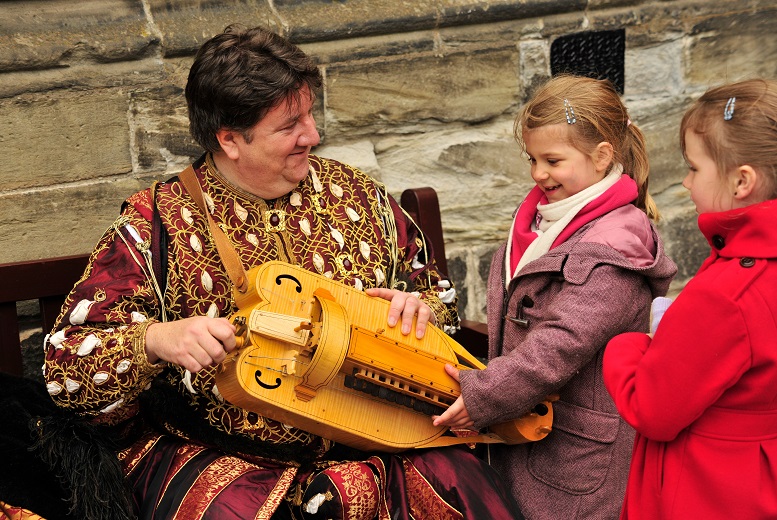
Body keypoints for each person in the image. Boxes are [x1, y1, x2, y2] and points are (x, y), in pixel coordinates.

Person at [38, 24, 522, 520]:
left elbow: (435, 293)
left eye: (310, 113)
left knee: (459, 488)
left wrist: (419, 308)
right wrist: (157, 340)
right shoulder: (156, 224)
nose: (312, 135)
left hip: (379, 439)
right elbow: (64, 367)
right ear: (230, 140)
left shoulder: (354, 194)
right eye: (290, 124)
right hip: (232, 459)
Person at [432, 74, 678, 518]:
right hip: (529, 432)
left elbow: (561, 342)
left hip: (575, 458)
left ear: (602, 156)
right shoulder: (546, 221)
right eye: (532, 158)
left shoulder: (613, 250)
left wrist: (484, 394)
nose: (537, 173)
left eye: (552, 160)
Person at [602, 79, 777, 519]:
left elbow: (653, 408)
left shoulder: (727, 294)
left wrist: (629, 345)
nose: (685, 182)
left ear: (742, 181)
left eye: (695, 168)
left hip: (707, 489)